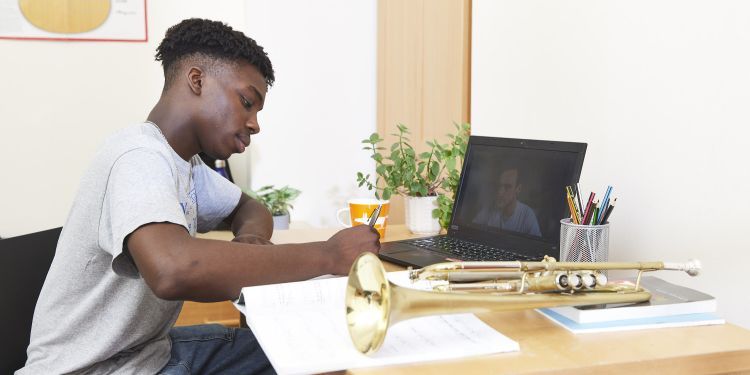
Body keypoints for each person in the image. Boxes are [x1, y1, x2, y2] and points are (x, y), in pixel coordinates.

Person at [18, 18, 380, 374]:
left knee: (315, 347)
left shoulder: (185, 165)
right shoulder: (137, 157)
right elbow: (173, 268)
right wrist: (327, 255)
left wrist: (249, 240)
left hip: (147, 355)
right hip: (94, 369)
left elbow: (249, 208)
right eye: (246, 102)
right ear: (197, 80)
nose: (255, 123)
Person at [472, 167, 541, 237]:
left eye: (507, 187)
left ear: (518, 189)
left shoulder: (527, 215)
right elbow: (472, 231)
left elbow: (538, 246)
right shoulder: (489, 209)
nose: (500, 192)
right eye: (499, 186)